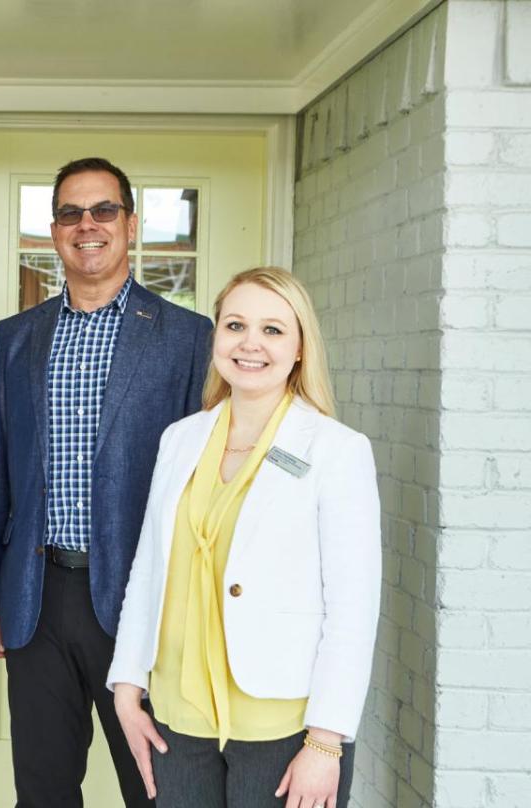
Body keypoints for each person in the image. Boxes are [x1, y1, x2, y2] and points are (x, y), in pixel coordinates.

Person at [0, 157, 212, 808]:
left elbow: (203, 487)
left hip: (143, 602)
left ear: (130, 225)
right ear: (54, 232)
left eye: (104, 210)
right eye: (71, 213)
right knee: (44, 792)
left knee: (158, 791)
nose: (88, 225)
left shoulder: (188, 339)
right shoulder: (13, 340)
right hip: (37, 597)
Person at [107, 267, 382, 808]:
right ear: (216, 337)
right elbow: (150, 571)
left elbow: (353, 607)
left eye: (273, 330)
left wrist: (326, 743)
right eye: (235, 325)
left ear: (301, 347)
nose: (250, 343)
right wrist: (125, 687)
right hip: (177, 721)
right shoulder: (181, 438)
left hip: (282, 727)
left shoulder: (336, 450)